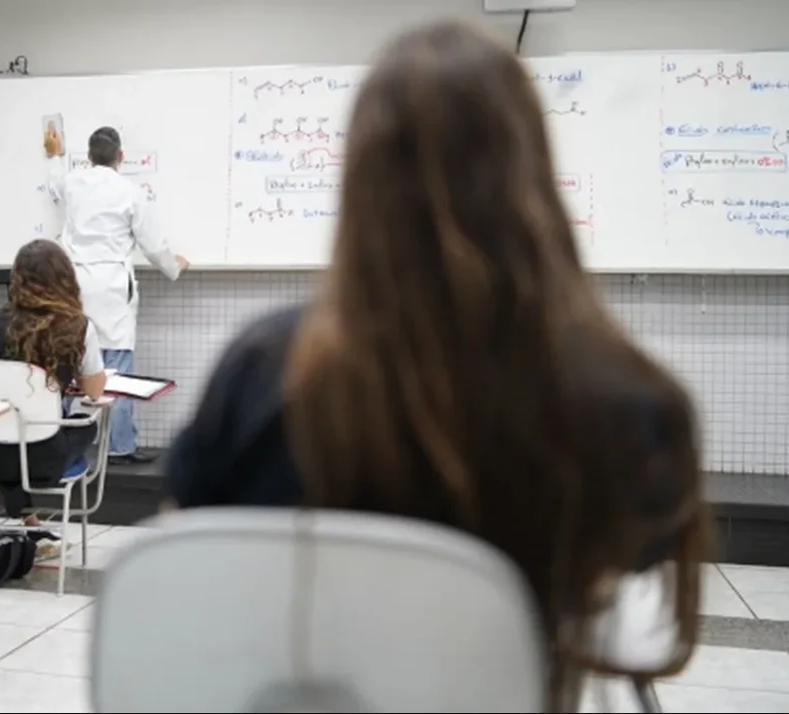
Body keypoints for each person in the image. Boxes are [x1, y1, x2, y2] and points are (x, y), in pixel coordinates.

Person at [162, 22, 709, 710]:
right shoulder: (635, 403)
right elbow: (625, 602)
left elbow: (182, 564)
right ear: (531, 173)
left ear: (361, 179)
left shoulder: (267, 370)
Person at [44, 125, 188, 465]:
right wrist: (175, 267)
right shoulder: (130, 192)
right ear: (120, 157)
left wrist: (54, 154)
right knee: (117, 371)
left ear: (89, 156)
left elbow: (54, 183)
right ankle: (120, 446)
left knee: (69, 361)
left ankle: (57, 438)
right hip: (111, 288)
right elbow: (153, 246)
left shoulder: (73, 182)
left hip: (74, 285)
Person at [0, 240, 107, 526]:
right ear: (65, 279)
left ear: (16, 278)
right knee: (86, 423)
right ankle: (31, 522)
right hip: (42, 462)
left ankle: (29, 520)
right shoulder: (78, 326)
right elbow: (94, 391)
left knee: (14, 431)